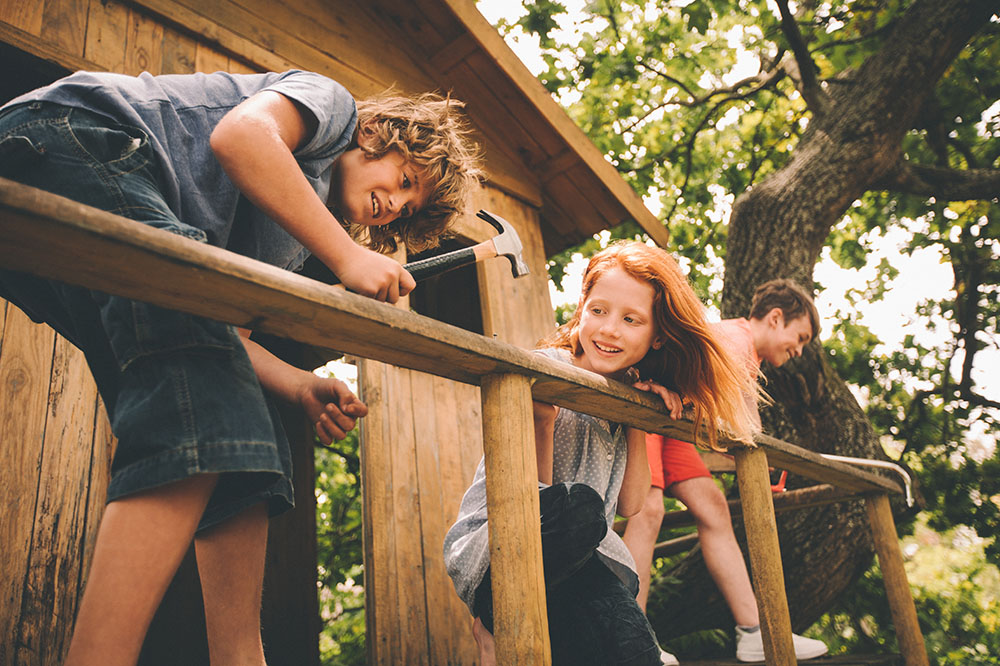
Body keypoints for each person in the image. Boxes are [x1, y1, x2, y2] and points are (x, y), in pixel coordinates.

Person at [0, 69, 481, 665]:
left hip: (49, 238)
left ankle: (240, 657)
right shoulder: (330, 110)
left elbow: (220, 335)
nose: (396, 204)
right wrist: (347, 255)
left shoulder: (287, 237)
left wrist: (298, 383)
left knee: (244, 441)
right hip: (74, 140)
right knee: (204, 405)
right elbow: (240, 137)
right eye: (405, 179)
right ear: (378, 135)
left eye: (408, 208)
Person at [443, 241, 759, 665]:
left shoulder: (627, 394)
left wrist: (635, 419)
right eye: (599, 311)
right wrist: (543, 421)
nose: (610, 329)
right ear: (582, 307)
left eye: (631, 320)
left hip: (582, 562)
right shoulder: (544, 369)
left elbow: (630, 504)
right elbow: (531, 502)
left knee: (632, 644)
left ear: (659, 335)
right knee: (577, 512)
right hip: (500, 543)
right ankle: (495, 618)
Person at [622, 278, 829, 664]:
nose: (798, 350)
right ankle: (631, 643)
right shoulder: (736, 339)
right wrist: (758, 458)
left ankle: (753, 632)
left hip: (674, 422)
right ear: (776, 317)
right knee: (647, 513)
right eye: (799, 337)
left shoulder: (746, 353)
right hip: (649, 406)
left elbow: (733, 425)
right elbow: (742, 420)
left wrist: (757, 466)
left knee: (714, 508)